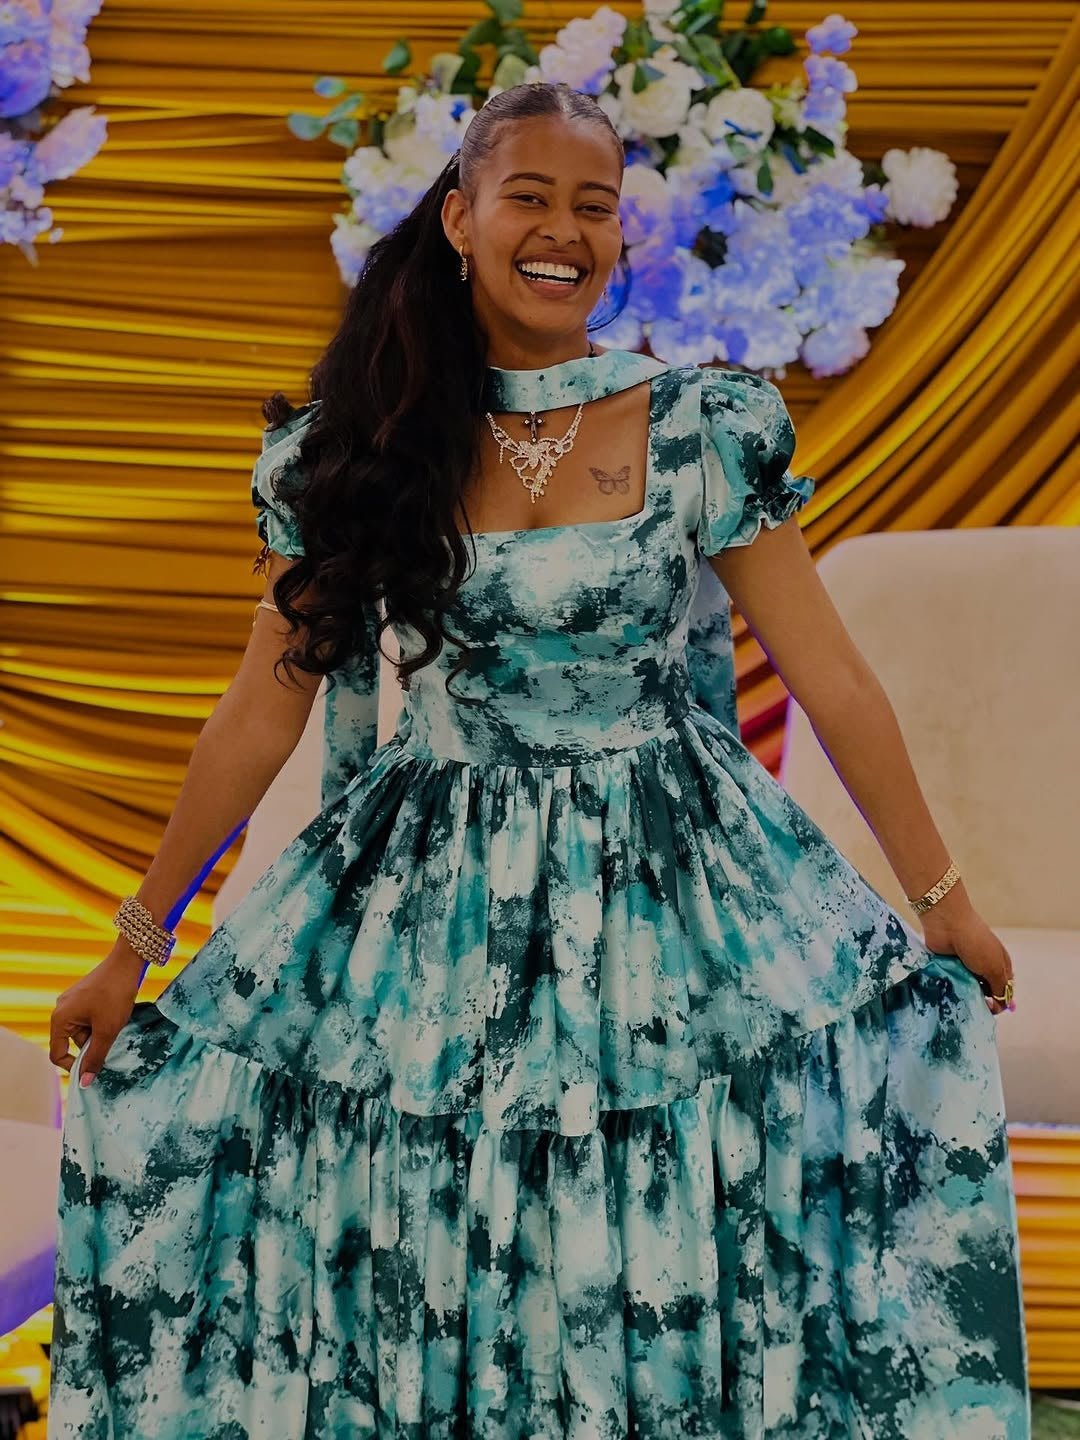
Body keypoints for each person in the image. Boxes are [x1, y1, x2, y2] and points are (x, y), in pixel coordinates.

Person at [46, 80, 1029, 1440]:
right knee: (438, 1221)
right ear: (459, 218)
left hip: (671, 882)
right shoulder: (360, 447)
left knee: (662, 1211)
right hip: (436, 893)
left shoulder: (699, 426)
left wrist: (942, 900)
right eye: (530, 197)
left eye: (596, 206)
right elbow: (262, 711)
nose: (565, 231)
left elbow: (836, 681)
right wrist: (133, 945)